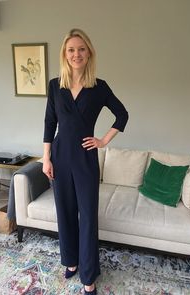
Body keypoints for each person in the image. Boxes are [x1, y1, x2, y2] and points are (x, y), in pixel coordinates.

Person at [43, 28, 129, 295]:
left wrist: (103, 141)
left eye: (81, 49)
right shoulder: (55, 85)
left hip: (85, 159)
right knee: (65, 212)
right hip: (59, 157)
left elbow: (122, 115)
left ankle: (89, 276)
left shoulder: (99, 87)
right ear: (65, 54)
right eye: (71, 50)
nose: (76, 54)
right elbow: (49, 122)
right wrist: (46, 158)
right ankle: (70, 261)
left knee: (88, 217)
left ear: (88, 52)